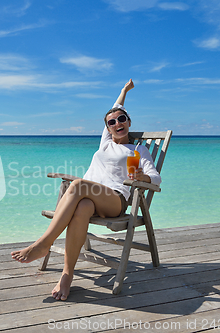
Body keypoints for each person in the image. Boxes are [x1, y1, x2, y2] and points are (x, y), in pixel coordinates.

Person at [11, 79, 161, 301]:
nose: (117, 123)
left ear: (129, 122)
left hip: (116, 200)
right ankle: (66, 275)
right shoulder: (105, 143)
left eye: (122, 119)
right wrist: (123, 91)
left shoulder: (139, 150)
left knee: (78, 184)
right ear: (108, 128)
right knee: (82, 206)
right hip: (90, 198)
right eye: (112, 122)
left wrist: (143, 176)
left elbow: (156, 179)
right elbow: (114, 108)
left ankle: (43, 244)